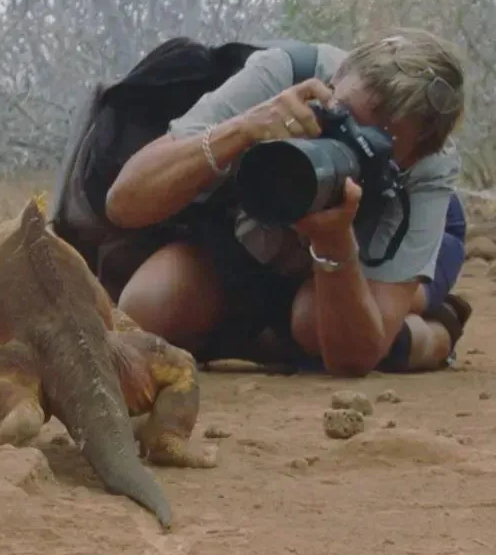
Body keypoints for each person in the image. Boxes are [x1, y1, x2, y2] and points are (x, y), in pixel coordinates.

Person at [102, 28, 472, 377]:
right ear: (335, 78)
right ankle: (271, 341)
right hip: (255, 235)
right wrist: (244, 128)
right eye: (338, 116)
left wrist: (335, 240)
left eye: (371, 144)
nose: (342, 143)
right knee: (146, 310)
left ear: (415, 157)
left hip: (376, 241)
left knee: (326, 327)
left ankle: (435, 332)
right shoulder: (286, 74)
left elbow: (354, 357)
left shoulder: (428, 169)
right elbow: (123, 203)